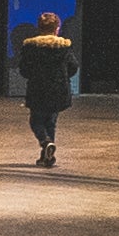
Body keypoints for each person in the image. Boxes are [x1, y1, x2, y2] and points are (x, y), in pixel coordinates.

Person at [17, 10, 80, 168]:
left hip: (38, 90)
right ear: (56, 28)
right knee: (51, 122)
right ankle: (47, 157)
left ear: (39, 28)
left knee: (36, 121)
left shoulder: (31, 47)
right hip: (59, 90)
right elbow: (73, 66)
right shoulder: (64, 47)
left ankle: (45, 143)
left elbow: (24, 69)